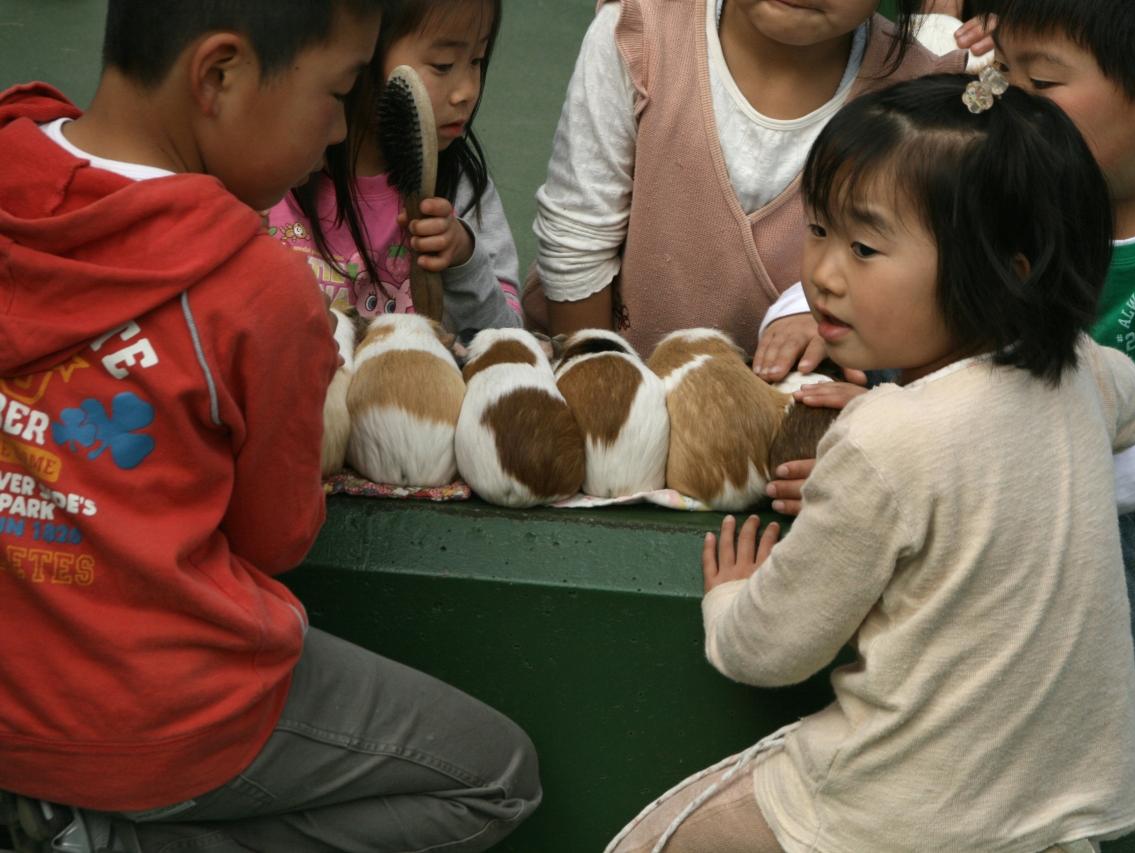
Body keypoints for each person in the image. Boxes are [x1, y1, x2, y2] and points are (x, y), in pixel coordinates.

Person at [0, 2, 539, 851]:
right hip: (162, 719)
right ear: (220, 76)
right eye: (338, 92)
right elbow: (276, 538)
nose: (340, 131)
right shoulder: (258, 289)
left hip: (14, 704)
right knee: (500, 777)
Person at [607, 73, 1135, 853]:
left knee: (653, 842)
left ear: (1008, 269)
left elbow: (772, 649)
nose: (822, 273)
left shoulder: (885, 440)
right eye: (818, 228)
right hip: (1060, 808)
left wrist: (729, 600)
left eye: (864, 247)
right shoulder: (1082, 371)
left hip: (895, 815)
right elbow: (1130, 406)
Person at [768, 0, 1135, 810]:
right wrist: (807, 318)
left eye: (1039, 80)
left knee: (1023, 730)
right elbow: (895, 232)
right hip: (1040, 494)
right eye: (999, 67)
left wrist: (923, 468)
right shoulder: (1044, 150)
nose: (1003, 98)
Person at [524, 0, 971, 357]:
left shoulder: (923, 96)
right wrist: (597, 384)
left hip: (789, 413)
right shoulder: (641, 32)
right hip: (615, 381)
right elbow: (576, 241)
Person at [269, 0, 522, 333]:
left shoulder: (461, 189)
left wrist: (463, 262)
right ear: (358, 55)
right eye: (443, 65)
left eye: (477, 61)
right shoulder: (272, 181)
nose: (467, 91)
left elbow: (508, 338)